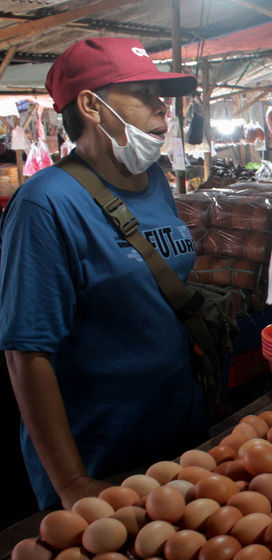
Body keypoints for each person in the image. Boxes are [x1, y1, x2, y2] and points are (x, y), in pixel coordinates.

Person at [0, 37, 207, 509]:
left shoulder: (154, 180)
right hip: (103, 460)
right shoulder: (45, 205)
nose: (163, 109)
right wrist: (72, 484)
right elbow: (26, 353)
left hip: (176, 435)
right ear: (92, 105)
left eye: (163, 97)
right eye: (145, 94)